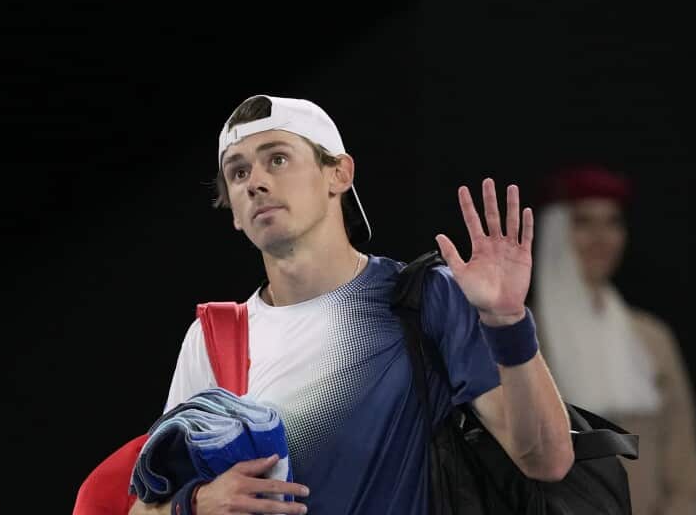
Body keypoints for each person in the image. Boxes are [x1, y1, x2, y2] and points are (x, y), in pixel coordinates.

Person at [128, 95, 575, 515]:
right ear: (234, 214)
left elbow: (546, 461)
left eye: (277, 159)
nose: (256, 183)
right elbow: (141, 506)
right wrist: (196, 504)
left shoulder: (424, 299)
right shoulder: (211, 338)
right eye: (238, 173)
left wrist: (507, 321)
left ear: (339, 174)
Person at [533, 165, 696, 515]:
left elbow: (683, 463)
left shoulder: (652, 337)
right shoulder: (523, 338)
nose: (601, 238)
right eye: (583, 222)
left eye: (612, 222)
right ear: (556, 231)